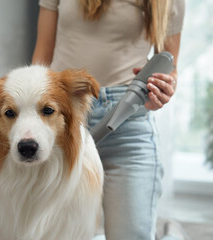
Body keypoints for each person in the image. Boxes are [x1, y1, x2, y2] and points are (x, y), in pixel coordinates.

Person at [32, 0, 186, 240]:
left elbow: (169, 65)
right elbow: (41, 58)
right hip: (64, 125)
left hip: (128, 123)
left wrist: (165, 86)